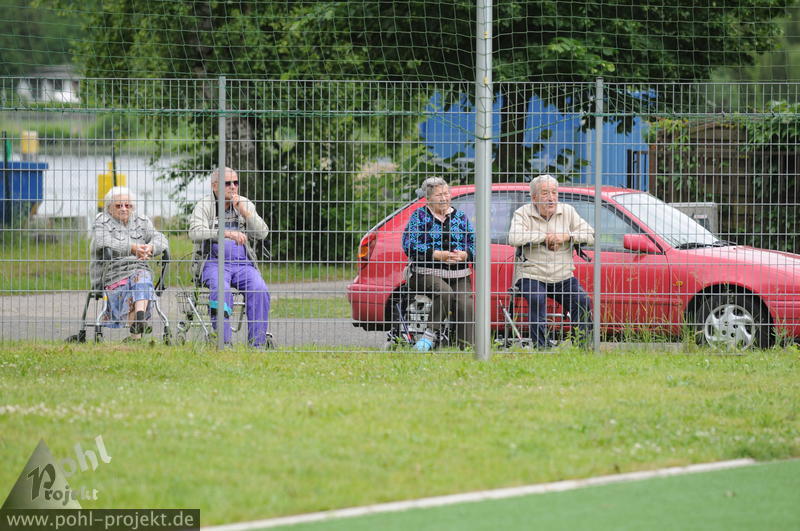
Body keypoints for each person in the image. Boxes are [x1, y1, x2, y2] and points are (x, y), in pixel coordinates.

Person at [508, 174, 595, 348]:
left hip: (562, 275)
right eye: (545, 193)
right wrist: (545, 238)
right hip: (531, 274)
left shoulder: (568, 211)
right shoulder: (523, 212)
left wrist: (565, 237)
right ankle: (541, 346)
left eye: (554, 192)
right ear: (534, 198)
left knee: (583, 300)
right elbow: (514, 238)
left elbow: (590, 234)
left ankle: (583, 346)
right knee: (537, 298)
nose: (551, 198)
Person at [189, 167, 271, 347]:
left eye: (235, 182)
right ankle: (223, 342)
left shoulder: (244, 203)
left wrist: (246, 213)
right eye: (227, 183)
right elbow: (194, 233)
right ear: (215, 186)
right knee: (221, 290)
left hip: (243, 264)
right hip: (213, 263)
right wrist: (225, 233)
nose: (233, 187)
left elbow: (263, 233)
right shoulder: (204, 206)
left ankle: (257, 344)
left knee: (259, 289)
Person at [401, 177, 475, 351]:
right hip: (425, 273)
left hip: (458, 274)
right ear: (428, 198)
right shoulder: (419, 217)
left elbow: (474, 242)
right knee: (444, 292)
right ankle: (429, 335)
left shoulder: (460, 217)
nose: (444, 198)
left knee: (466, 304)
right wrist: (436, 255)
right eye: (439, 195)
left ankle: (465, 348)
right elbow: (408, 244)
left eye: (446, 193)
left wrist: (465, 254)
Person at [90, 186, 169, 341]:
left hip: (139, 271)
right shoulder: (102, 220)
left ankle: (137, 328)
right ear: (109, 208)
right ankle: (138, 325)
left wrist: (151, 247)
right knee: (141, 281)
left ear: (133, 207)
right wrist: (132, 248)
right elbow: (102, 241)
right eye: (118, 205)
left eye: (128, 205)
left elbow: (161, 239)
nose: (124, 209)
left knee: (141, 276)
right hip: (114, 274)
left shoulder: (142, 220)